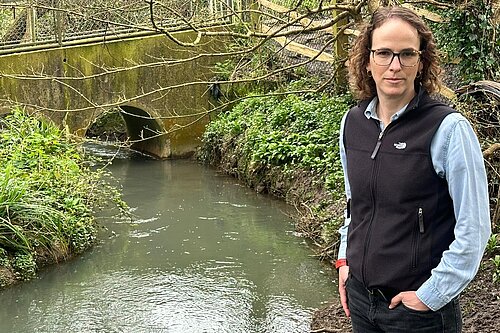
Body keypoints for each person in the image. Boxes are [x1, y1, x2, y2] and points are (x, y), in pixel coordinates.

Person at [335, 6, 491, 332]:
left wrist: (431, 296)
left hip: (419, 313)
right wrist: (344, 261)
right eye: (384, 53)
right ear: (367, 59)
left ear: (421, 62)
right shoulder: (352, 124)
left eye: (407, 54)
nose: (395, 66)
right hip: (362, 303)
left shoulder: (448, 130)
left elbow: (474, 230)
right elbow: (355, 206)